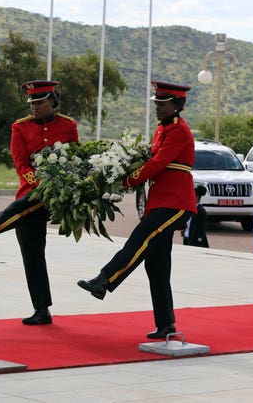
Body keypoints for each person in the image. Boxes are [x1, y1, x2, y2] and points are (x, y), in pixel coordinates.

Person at [0, 80, 79, 325]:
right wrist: (39, 182)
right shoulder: (20, 128)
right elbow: (21, 164)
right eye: (32, 103)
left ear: (52, 101)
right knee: (32, 253)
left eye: (40, 102)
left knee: (15, 214)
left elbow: (74, 158)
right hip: (30, 191)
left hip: (55, 195)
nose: (34, 107)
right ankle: (42, 310)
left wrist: (55, 184)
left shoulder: (68, 126)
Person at [77, 80, 196, 340]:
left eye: (162, 104)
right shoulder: (161, 129)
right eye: (156, 103)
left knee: (138, 241)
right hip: (160, 200)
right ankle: (166, 324)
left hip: (176, 202)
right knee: (157, 266)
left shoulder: (178, 130)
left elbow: (157, 164)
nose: (157, 108)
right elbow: (152, 161)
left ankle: (104, 281)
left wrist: (124, 181)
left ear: (177, 105)